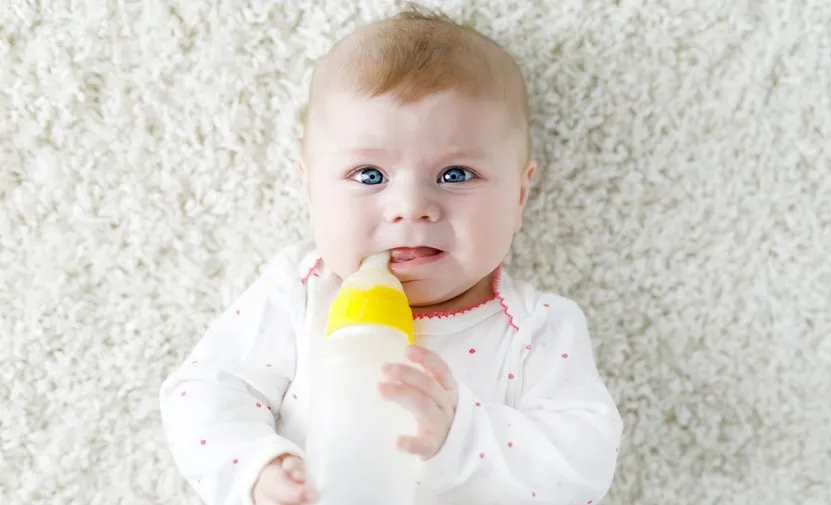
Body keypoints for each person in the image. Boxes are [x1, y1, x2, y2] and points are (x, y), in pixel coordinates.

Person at [159, 5, 623, 505]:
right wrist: (258, 468)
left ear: (519, 195)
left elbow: (584, 463)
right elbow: (205, 392)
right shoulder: (302, 291)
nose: (410, 209)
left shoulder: (536, 328)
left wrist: (460, 436)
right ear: (310, 187)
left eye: (456, 175)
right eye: (369, 175)